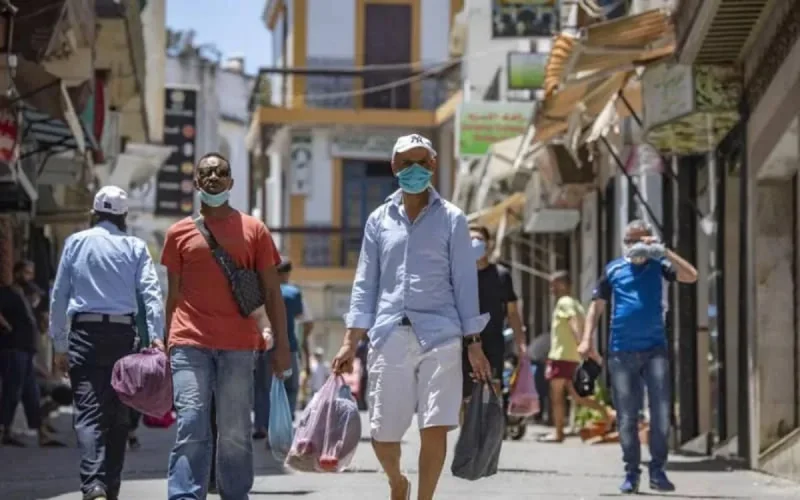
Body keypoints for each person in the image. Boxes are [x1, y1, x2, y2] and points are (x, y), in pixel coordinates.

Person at [332, 134, 491, 500]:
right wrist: (349, 340)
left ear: (433, 166)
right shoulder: (378, 220)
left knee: (434, 425)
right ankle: (397, 483)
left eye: (421, 162)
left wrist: (474, 343)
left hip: (442, 335)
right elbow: (364, 282)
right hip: (389, 335)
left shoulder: (453, 219)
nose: (414, 169)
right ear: (394, 168)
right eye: (406, 163)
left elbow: (466, 284)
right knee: (383, 433)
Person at [161, 152, 289, 500]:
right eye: (207, 173)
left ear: (231, 182)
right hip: (189, 343)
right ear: (197, 183)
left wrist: (283, 349)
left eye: (221, 172)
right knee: (191, 423)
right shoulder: (178, 233)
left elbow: (272, 293)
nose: (214, 177)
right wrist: (163, 343)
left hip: (238, 347)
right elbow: (172, 296)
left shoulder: (255, 230)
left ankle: (235, 494)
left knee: (233, 430)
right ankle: (185, 495)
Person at [49, 186, 165, 500]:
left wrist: (59, 345)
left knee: (88, 414)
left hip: (84, 335)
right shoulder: (135, 247)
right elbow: (151, 295)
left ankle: (93, 485)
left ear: (94, 213)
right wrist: (156, 336)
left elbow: (59, 296)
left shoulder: (75, 243)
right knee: (118, 416)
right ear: (123, 216)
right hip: (123, 338)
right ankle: (110, 489)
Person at [579, 219, 698, 494]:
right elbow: (595, 308)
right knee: (626, 417)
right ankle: (631, 473)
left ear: (649, 240)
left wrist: (663, 250)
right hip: (621, 351)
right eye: (629, 241)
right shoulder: (613, 270)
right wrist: (587, 339)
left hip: (655, 349)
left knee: (660, 413)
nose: (634, 246)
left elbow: (692, 275)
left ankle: (657, 472)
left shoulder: (661, 267)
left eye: (639, 240)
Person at [539, 271, 613, 443]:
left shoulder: (564, 302)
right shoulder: (576, 303)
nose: (551, 288)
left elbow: (572, 322)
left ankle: (558, 433)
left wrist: (581, 343)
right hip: (571, 357)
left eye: (554, 284)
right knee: (578, 396)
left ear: (564, 284)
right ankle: (607, 413)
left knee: (556, 395)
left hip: (562, 356)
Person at [0, 260, 64, 447]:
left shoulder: (23, 295)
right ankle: (5, 431)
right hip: (14, 349)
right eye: (26, 273)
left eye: (31, 273)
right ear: (16, 273)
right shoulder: (6, 293)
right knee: (12, 392)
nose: (29, 277)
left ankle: (41, 433)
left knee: (31, 394)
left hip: (26, 351)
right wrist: (6, 326)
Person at [466, 225, 527, 405]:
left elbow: (513, 312)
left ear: (488, 244)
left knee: (494, 389)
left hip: (493, 342)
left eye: (479, 239)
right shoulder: (459, 275)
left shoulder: (501, 275)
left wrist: (521, 344)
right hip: (466, 344)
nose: (474, 244)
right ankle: (468, 433)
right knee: (466, 396)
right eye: (470, 240)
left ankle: (494, 431)